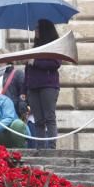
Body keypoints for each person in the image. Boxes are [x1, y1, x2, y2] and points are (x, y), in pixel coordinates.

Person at [24, 19, 61, 149]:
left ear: (45, 30)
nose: (35, 31)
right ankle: (40, 148)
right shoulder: (34, 47)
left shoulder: (55, 46)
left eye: (38, 28)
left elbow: (55, 64)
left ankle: (51, 147)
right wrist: (25, 88)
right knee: (38, 120)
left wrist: (35, 62)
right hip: (33, 87)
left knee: (49, 118)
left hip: (48, 86)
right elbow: (27, 70)